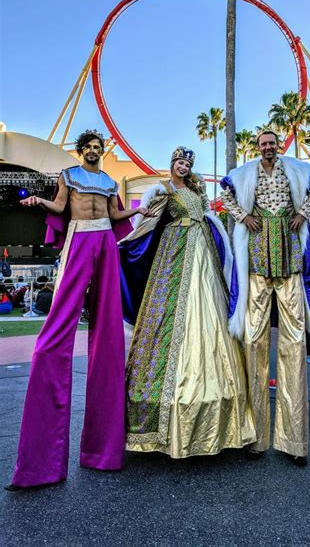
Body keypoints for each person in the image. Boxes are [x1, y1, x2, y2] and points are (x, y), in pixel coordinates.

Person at [6, 129, 143, 491]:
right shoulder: (69, 176)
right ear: (81, 150)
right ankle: (41, 464)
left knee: (109, 334)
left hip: (105, 242)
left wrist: (142, 210)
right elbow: (61, 207)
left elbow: (116, 215)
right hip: (80, 238)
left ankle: (104, 453)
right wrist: (39, 200)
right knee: (54, 336)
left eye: (100, 147)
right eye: (91, 147)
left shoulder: (111, 181)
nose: (96, 151)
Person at [120, 147, 255, 458]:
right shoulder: (163, 190)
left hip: (203, 253)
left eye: (187, 164)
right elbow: (148, 224)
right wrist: (127, 241)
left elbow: (208, 220)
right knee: (169, 318)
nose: (183, 167)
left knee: (211, 312)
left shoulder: (195, 191)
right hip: (175, 253)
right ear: (171, 165)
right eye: (179, 162)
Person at [220, 129, 310, 465]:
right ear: (257, 148)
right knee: (254, 343)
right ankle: (256, 437)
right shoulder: (245, 174)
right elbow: (227, 195)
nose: (267, 148)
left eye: (271, 143)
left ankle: (295, 443)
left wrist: (303, 214)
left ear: (278, 147)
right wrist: (242, 216)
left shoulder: (293, 169)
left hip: (290, 259)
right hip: (257, 262)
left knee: (294, 345)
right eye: (263, 144)